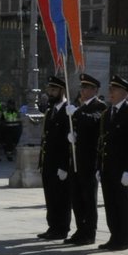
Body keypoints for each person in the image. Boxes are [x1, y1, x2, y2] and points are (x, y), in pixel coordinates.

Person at [98, 75, 128, 251]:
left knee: (122, 203)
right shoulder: (107, 113)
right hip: (107, 166)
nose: (110, 93)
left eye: (114, 89)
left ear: (125, 93)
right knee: (110, 203)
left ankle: (124, 238)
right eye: (110, 89)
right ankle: (114, 235)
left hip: (121, 168)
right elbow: (102, 142)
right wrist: (98, 166)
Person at [66, 74, 104, 245]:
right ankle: (80, 230)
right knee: (76, 197)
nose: (82, 91)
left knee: (89, 198)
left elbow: (93, 121)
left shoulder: (99, 106)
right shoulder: (80, 107)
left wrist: (77, 113)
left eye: (86, 88)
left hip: (90, 159)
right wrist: (73, 135)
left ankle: (89, 232)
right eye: (81, 88)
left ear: (94, 90)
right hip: (77, 158)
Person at [38, 75, 73, 241]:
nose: (50, 93)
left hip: (60, 163)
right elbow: (45, 138)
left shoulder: (68, 111)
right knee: (50, 196)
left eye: (53, 90)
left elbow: (67, 143)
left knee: (61, 198)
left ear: (62, 90)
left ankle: (62, 228)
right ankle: (52, 226)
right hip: (48, 162)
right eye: (49, 89)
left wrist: (64, 166)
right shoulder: (50, 111)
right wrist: (41, 162)